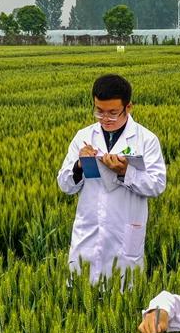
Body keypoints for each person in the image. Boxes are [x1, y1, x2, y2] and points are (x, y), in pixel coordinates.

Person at [57, 74, 167, 284]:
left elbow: (157, 186)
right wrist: (79, 165)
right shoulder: (83, 136)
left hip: (124, 232)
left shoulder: (146, 140)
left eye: (113, 113)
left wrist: (125, 172)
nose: (105, 118)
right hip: (88, 231)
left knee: (123, 293)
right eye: (99, 111)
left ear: (129, 107)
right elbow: (64, 184)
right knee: (81, 293)